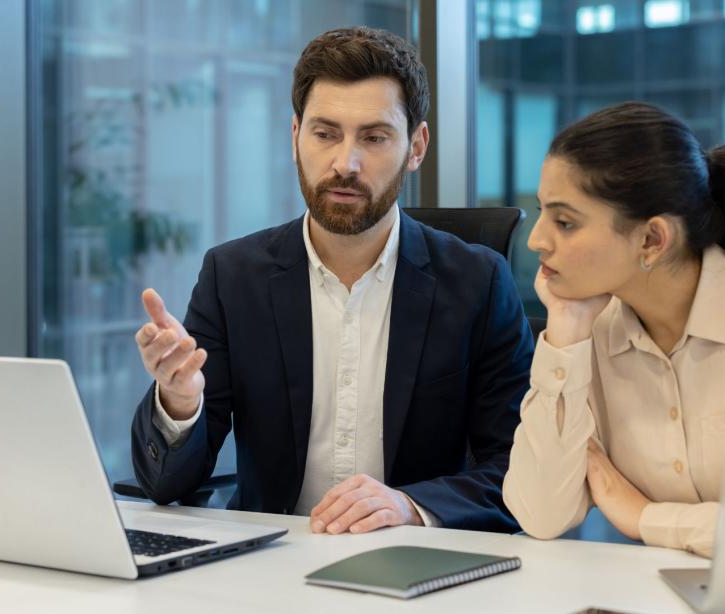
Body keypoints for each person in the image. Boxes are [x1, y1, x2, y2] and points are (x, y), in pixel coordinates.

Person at [131, 27, 533, 534]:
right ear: (295, 137)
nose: (346, 163)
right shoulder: (232, 277)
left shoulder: (478, 283)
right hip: (272, 563)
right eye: (325, 134)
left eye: (374, 137)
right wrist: (180, 402)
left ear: (416, 146)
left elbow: (519, 473)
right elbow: (165, 485)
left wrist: (410, 506)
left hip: (418, 560)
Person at [502, 102, 725, 558]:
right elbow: (541, 516)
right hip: (649, 590)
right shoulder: (591, 332)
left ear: (652, 239)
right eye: (541, 213)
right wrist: (566, 333)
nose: (536, 239)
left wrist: (644, 517)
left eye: (565, 222)